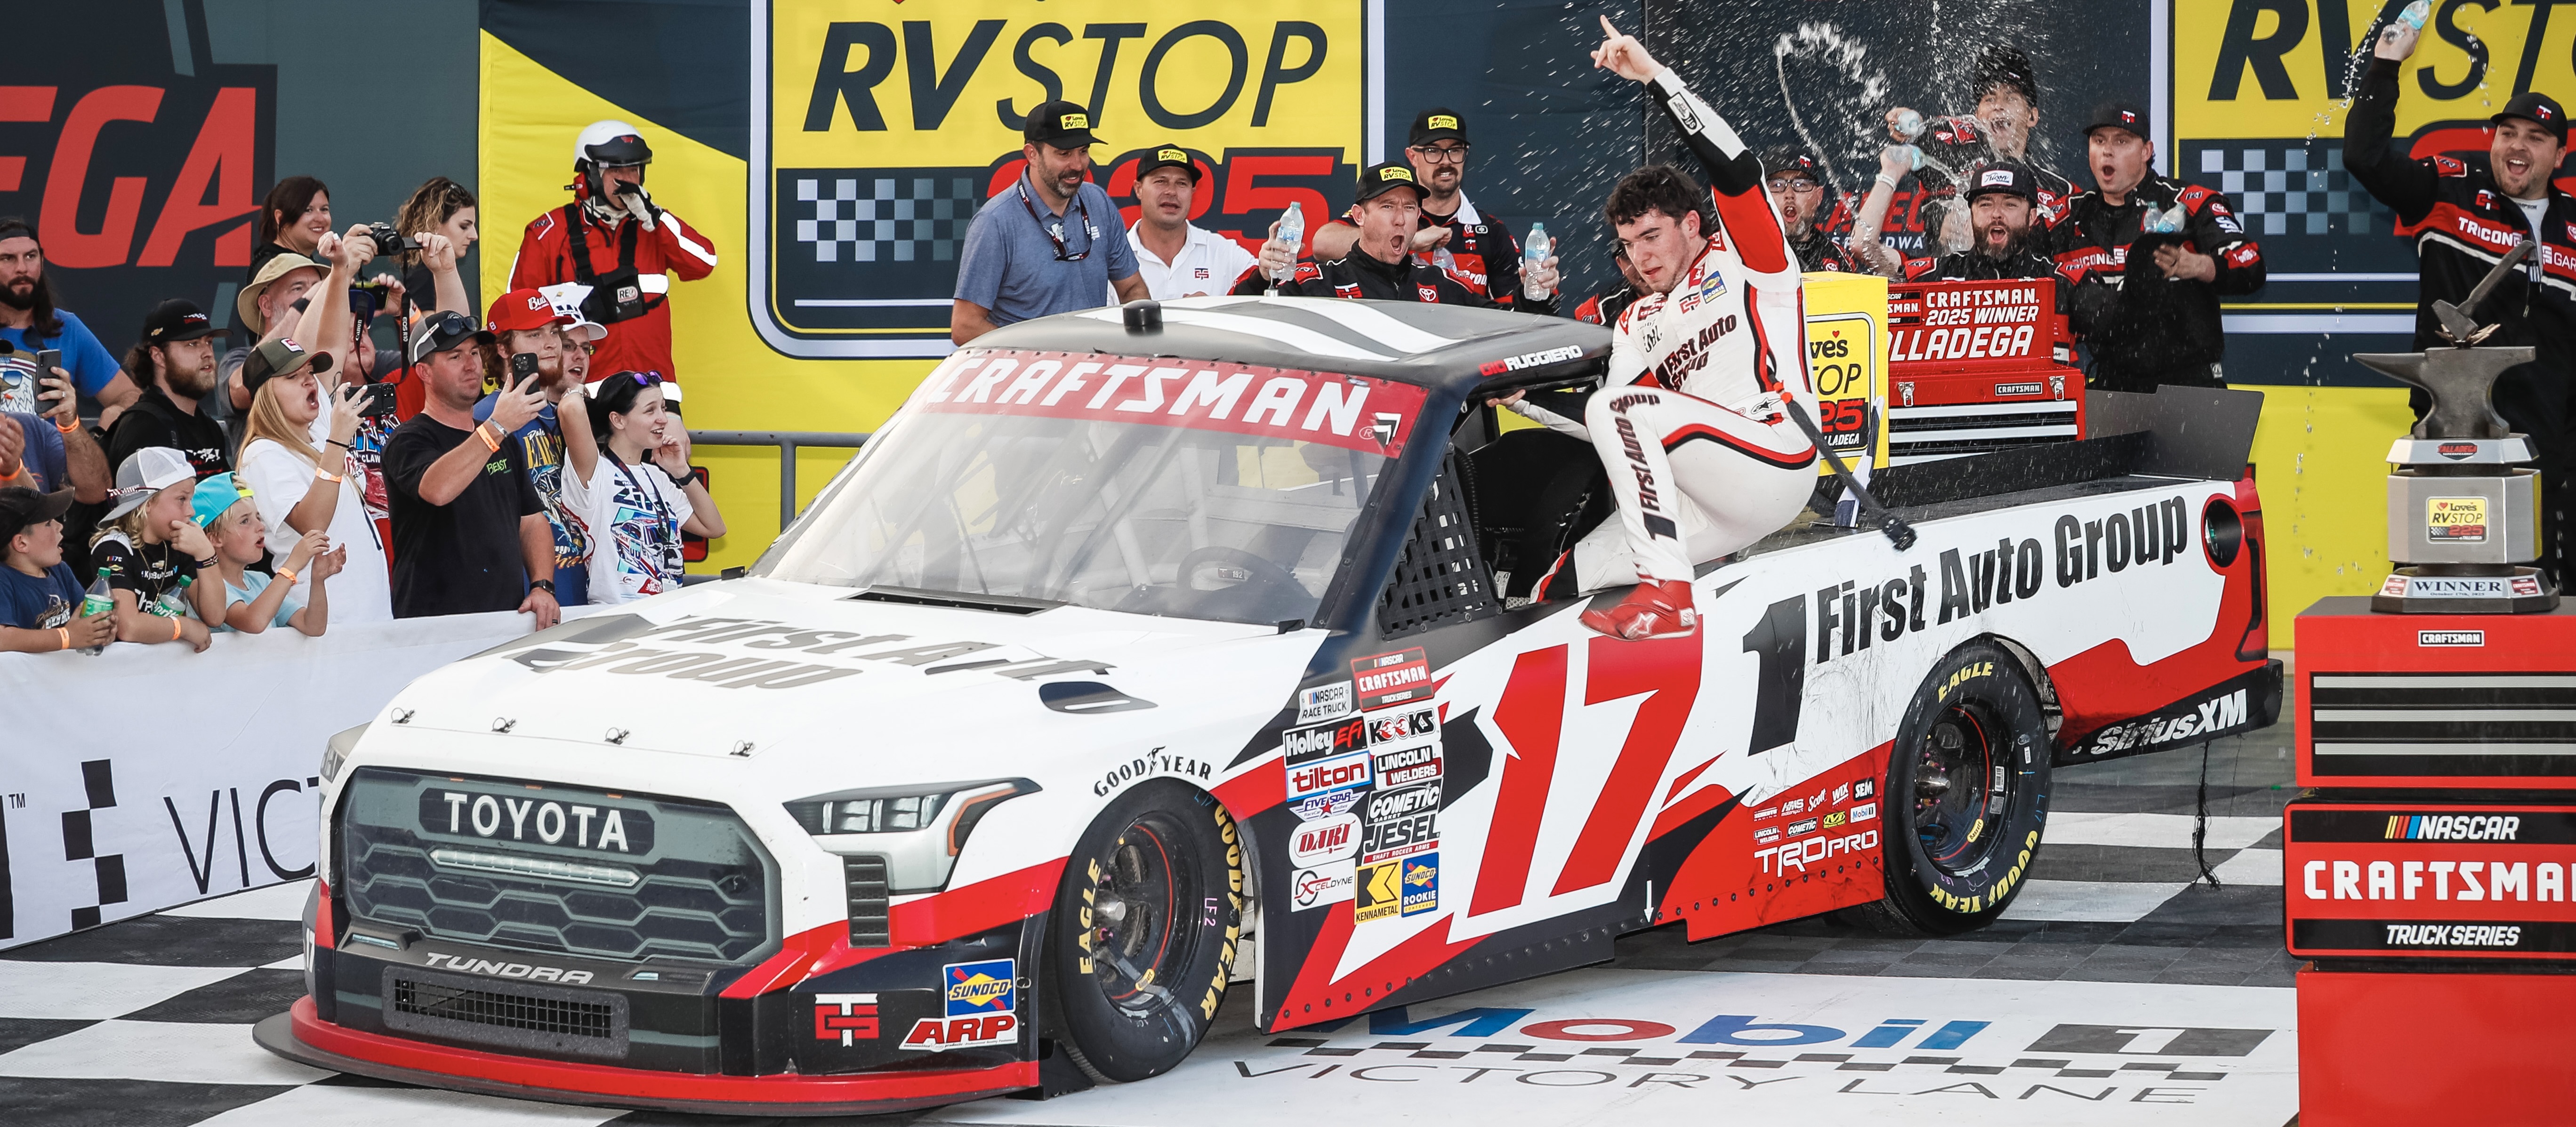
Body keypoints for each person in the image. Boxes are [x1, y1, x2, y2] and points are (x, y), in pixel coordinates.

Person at [1492, 18, 1820, 642]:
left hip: (1777, 457)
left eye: (1652, 236)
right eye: (1626, 244)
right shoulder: (1637, 319)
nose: (1640, 256)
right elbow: (1603, 418)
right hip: (1706, 496)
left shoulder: (1744, 258)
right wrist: (1523, 401)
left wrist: (1655, 78)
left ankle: (1671, 595)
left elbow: (1738, 170)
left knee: (1621, 406)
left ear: (1693, 225)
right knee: (1553, 584)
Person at [2347, 20, 2576, 587]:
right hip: (2456, 426)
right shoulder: (2448, 186)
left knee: (2542, 579)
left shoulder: (2574, 225)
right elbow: (2365, 158)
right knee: (2442, 566)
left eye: (2535, 138)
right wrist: (2386, 67)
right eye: (2507, 133)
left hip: (2554, 442)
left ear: (2559, 155)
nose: (2517, 146)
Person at [2045, 101, 2265, 392]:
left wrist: (2198, 266)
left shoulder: (2189, 203)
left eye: (2121, 141)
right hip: (2111, 389)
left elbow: (2251, 265)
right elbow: (2016, 263)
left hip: (2189, 387)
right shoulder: (2066, 217)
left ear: (2147, 151)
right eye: (2099, 141)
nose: (2107, 151)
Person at [383, 313, 557, 628]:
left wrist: (542, 586)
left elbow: (531, 522)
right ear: (424, 371)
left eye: (475, 353)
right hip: (434, 627)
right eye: (455, 356)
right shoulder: (408, 439)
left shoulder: (500, 439)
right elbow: (437, 490)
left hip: (507, 619)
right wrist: (498, 426)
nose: (471, 365)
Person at [508, 121, 716, 384]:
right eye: (616, 170)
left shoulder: (656, 227)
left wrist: (657, 219)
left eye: (634, 170)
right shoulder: (549, 233)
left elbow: (704, 263)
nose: (629, 181)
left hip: (652, 393)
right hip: (582, 396)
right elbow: (518, 315)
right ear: (588, 175)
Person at [1308, 108, 1562, 311]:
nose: (1445, 161)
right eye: (1433, 151)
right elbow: (1321, 244)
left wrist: (1536, 291)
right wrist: (1412, 240)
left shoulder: (1491, 232)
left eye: (1455, 151)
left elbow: (1511, 317)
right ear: (1412, 156)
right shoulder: (1385, 213)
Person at [954, 103, 1147, 344]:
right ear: (1032, 154)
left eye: (1083, 151)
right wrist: (1038, 355)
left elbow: (1132, 288)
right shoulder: (995, 222)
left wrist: (1137, 344)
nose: (1077, 165)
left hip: (1092, 370)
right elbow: (965, 326)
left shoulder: (1098, 202)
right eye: (1064, 154)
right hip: (1028, 376)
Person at [236, 336, 393, 623]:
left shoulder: (317, 435)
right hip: (327, 617)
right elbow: (313, 526)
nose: (309, 382)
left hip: (370, 610)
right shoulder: (262, 454)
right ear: (266, 394)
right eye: (294, 376)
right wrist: (338, 440)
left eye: (309, 373)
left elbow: (330, 337)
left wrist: (335, 287)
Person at [472, 289, 593, 607]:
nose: (551, 343)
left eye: (554, 332)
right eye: (535, 335)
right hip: (525, 597)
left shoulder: (566, 415)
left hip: (581, 583)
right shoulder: (484, 418)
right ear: (502, 348)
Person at [559, 371, 723, 603]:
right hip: (613, 618)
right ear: (618, 420)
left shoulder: (657, 477)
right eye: (650, 411)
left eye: (663, 408)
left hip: (665, 614)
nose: (663, 419)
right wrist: (580, 388)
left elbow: (715, 528)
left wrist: (681, 471)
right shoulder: (594, 470)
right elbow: (571, 410)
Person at [1236, 163, 1498, 305]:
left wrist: (1535, 296)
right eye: (1387, 207)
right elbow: (1237, 321)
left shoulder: (1441, 284)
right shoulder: (1320, 282)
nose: (1400, 220)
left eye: (1409, 208)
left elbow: (1505, 326)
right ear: (1359, 216)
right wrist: (1262, 278)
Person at [1883, 47, 2076, 221]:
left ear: (2032, 117)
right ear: (1977, 116)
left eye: (2010, 98)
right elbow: (1921, 141)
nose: (1999, 107)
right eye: (1990, 99)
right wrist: (1914, 129)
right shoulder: (1950, 162)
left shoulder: (2059, 191)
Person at [0, 218, 137, 423]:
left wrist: (110, 421)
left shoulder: (67, 328)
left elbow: (131, 397)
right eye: (8, 258)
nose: (22, 268)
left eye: (31, 256)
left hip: (52, 454)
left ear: (42, 261)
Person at [1852, 159, 2069, 285]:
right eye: (1985, 204)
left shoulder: (2059, 282)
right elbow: (1863, 246)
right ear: (1971, 216)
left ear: (2032, 217)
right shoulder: (1940, 275)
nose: (1996, 214)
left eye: (2010, 204)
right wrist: (1891, 172)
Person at [89, 446, 223, 650]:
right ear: (148, 503)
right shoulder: (114, 548)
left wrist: (206, 554)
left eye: (191, 500)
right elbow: (129, 627)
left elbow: (215, 616)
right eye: (182, 499)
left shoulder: (180, 544)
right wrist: (183, 627)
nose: (191, 511)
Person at [193, 472, 338, 636]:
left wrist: (318, 580)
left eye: (258, 517)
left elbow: (312, 627)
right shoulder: (203, 587)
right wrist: (293, 564)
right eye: (245, 521)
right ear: (215, 538)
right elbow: (253, 622)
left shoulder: (260, 581)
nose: (260, 527)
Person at [105, 300, 230, 478]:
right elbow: (140, 506)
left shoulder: (210, 427)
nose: (208, 352)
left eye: (209, 342)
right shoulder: (142, 427)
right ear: (159, 356)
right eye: (193, 344)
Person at [1120, 145, 1258, 300]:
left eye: (1182, 184)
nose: (1171, 191)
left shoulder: (1222, 252)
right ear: (1138, 189)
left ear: (1193, 193)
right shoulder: (1114, 257)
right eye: (1161, 181)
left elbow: (1266, 288)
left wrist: (1214, 312)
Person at [0, 486, 113, 653]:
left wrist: (101, 630)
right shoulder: (3, 580)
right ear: (22, 543)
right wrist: (66, 637)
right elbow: (3, 639)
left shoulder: (60, 570)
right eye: (48, 523)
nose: (60, 526)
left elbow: (82, 620)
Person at [393, 176, 480, 318]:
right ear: (434, 224)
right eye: (464, 226)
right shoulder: (422, 275)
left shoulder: (428, 273)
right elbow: (431, 336)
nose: (474, 236)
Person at [1764, 148, 1861, 273]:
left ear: (1819, 196)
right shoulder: (1744, 255)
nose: (1789, 194)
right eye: (1777, 185)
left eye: (1800, 184)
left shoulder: (1836, 257)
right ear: (1763, 195)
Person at [248, 176, 331, 281]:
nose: (320, 219)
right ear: (280, 218)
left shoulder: (309, 266)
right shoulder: (273, 268)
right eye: (308, 210)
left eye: (324, 209)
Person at [1572, 247, 1647, 326]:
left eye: (1647, 253)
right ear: (1620, 264)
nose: (1641, 265)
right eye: (1628, 257)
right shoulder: (1599, 312)